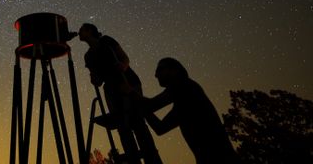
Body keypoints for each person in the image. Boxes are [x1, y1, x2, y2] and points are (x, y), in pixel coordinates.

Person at [78, 23, 162, 164]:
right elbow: (97, 80)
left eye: (82, 30)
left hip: (128, 82)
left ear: (89, 30)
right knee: (122, 125)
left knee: (137, 121)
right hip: (111, 89)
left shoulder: (106, 41)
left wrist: (123, 66)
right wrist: (94, 78)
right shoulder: (88, 56)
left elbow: (124, 58)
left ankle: (151, 158)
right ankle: (132, 158)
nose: (79, 32)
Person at [142, 58, 240, 164]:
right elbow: (158, 123)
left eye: (160, 69)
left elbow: (153, 109)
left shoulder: (184, 87)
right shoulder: (186, 94)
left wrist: (131, 94)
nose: (156, 75)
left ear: (175, 70)